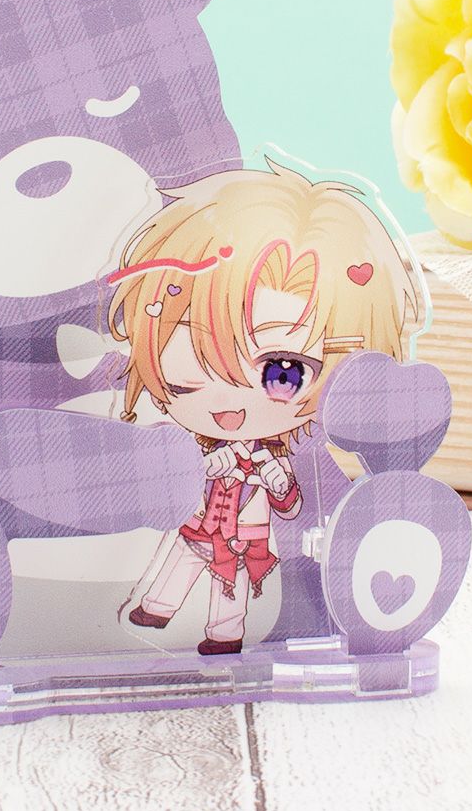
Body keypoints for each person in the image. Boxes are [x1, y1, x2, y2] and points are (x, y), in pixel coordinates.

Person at [107, 162, 417, 654]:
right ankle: (156, 608)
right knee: (181, 558)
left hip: (245, 532)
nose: (229, 403)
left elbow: (290, 505)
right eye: (189, 369)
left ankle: (224, 635)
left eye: (283, 372)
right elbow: (169, 478)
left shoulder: (274, 457)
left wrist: (276, 480)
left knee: (228, 582)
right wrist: (207, 463)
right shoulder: (193, 447)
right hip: (197, 519)